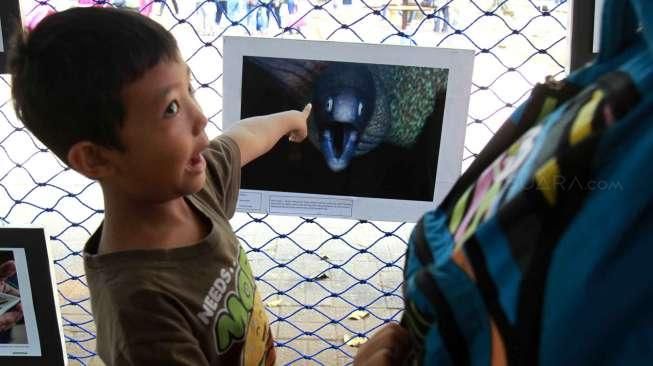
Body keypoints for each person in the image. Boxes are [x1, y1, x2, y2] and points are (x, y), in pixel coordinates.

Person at [9, 7, 310, 365]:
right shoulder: (141, 310)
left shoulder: (193, 191)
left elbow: (242, 138)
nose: (200, 117)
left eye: (190, 89)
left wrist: (292, 118)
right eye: (170, 108)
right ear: (96, 159)